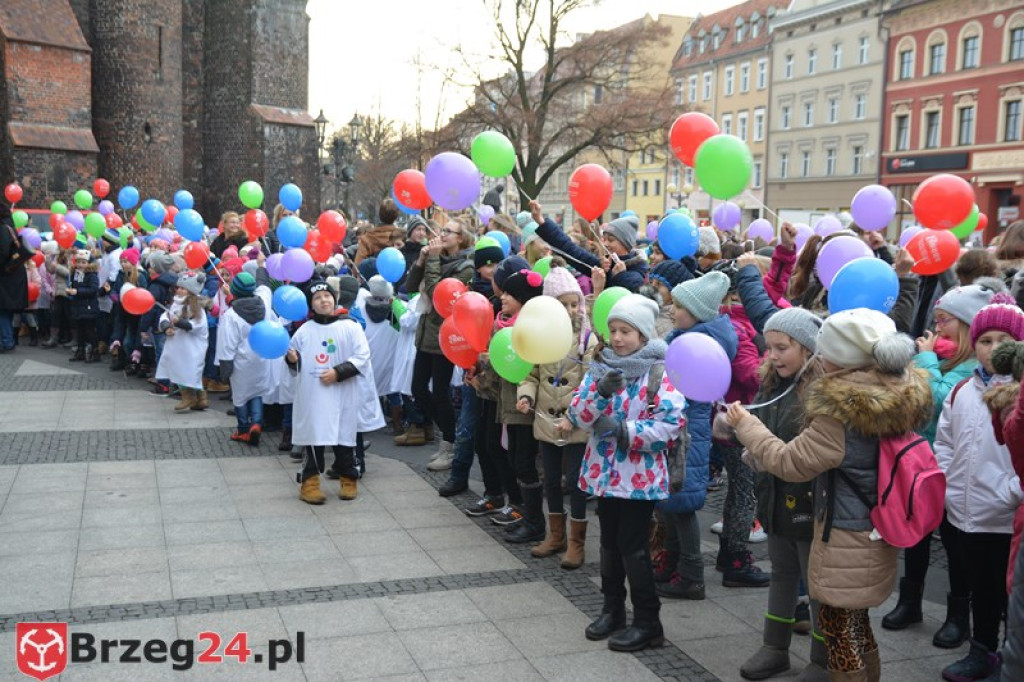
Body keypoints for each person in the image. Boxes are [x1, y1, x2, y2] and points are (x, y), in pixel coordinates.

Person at [726, 308, 930, 681]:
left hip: (843, 534)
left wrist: (746, 427)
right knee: (855, 628)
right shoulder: (889, 390)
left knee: (839, 632)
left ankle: (836, 673)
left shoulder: (841, 412)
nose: (820, 357)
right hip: (869, 527)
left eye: (824, 350)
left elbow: (789, 462)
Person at [883, 281, 1003, 645]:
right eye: (936, 319)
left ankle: (957, 615)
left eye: (944, 320)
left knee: (954, 544)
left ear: (966, 326)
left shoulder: (970, 368)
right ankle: (910, 600)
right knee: (916, 535)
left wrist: (924, 361)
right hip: (922, 465)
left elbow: (935, 399)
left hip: (955, 473)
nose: (936, 328)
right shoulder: (945, 359)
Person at [570, 293, 686, 652]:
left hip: (639, 479)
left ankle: (649, 622)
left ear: (644, 335)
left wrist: (624, 431)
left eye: (626, 331)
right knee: (608, 544)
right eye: (613, 330)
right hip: (604, 474)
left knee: (632, 547)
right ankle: (613, 609)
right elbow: (578, 416)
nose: (617, 338)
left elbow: (670, 424)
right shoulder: (601, 368)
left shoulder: (659, 371)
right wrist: (599, 395)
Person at [721, 307, 827, 680]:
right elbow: (765, 433)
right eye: (770, 348)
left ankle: (822, 660)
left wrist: (756, 441)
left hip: (809, 500)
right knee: (782, 572)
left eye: (783, 348)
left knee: (816, 584)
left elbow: (800, 450)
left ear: (808, 348)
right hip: (775, 495)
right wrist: (740, 434)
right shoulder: (771, 385)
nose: (773, 356)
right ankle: (774, 647)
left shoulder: (818, 392)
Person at [934, 296, 1024, 682]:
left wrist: (1011, 491)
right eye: (984, 340)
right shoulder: (961, 392)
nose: (991, 349)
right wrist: (948, 484)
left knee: (1008, 593)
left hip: (1004, 514)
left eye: (1002, 340)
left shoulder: (1018, 394)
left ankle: (1009, 651)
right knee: (980, 587)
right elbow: (945, 443)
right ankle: (982, 649)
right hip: (965, 511)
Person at [657, 272, 737, 600]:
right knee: (671, 501)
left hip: (688, 432)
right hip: (678, 429)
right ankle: (673, 561)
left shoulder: (698, 345)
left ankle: (691, 575)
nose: (672, 311)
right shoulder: (685, 336)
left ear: (696, 312)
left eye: (678, 306)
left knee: (683, 503)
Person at [518, 262, 597, 568]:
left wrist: (575, 415)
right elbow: (531, 374)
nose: (572, 310)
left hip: (576, 422)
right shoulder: (541, 338)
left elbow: (592, 382)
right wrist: (526, 396)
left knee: (576, 481)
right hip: (546, 420)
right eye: (563, 305)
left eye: (575, 303)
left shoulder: (586, 340)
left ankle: (577, 542)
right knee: (550, 479)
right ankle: (556, 536)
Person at [286, 278, 367, 505]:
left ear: (334, 298)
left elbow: (362, 357)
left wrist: (338, 372)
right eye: (318, 298)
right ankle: (309, 483)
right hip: (314, 395)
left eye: (327, 296)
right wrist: (291, 359)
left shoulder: (350, 326)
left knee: (344, 437)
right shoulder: (304, 331)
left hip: (342, 393)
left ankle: (349, 478)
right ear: (311, 304)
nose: (324, 301)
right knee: (314, 436)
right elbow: (294, 360)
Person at [404, 218, 476, 462]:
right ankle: (449, 431)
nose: (441, 234)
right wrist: (422, 261)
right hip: (426, 334)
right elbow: (411, 286)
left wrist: (432, 259)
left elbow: (437, 295)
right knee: (418, 389)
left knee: (440, 392)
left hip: (445, 336)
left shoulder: (465, 267)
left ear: (461, 238)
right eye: (442, 229)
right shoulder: (436, 258)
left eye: (448, 231)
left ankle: (450, 442)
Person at [492, 269, 545, 544]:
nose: (502, 297)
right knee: (514, 458)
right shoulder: (505, 326)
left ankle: (536, 522)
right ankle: (528, 515)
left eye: (510, 294)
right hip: (509, 403)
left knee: (524, 462)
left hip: (524, 405)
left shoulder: (531, 330)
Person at [530, 201, 648, 292]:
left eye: (611, 240)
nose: (606, 244)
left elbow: (632, 286)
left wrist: (620, 275)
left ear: (626, 243)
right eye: (604, 239)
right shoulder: (604, 264)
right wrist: (541, 222)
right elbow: (571, 249)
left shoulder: (638, 267)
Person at [217, 271, 272, 444]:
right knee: (257, 393)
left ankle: (242, 429)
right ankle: (256, 423)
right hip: (261, 358)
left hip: (241, 361)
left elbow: (228, 344)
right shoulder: (263, 307)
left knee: (240, 396)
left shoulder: (231, 316)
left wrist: (225, 369)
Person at [156, 271, 210, 412]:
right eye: (178, 287)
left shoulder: (196, 307)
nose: (179, 290)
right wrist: (166, 326)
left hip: (191, 346)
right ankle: (200, 397)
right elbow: (165, 316)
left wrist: (179, 322)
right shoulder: (176, 303)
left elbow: (198, 326)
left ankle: (190, 396)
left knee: (190, 370)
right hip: (177, 345)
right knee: (179, 368)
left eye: (183, 288)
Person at [0, 205, 30, 352]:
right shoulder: (10, 227)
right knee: (6, 311)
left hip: (7, 277)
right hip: (14, 276)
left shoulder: (3, 229)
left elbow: (3, 252)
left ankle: (6, 341)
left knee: (3, 310)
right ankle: (7, 340)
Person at [67, 249, 101, 363]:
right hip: (77, 306)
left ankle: (95, 352)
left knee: (89, 330)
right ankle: (80, 351)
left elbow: (93, 290)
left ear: (88, 263)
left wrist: (77, 291)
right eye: (78, 262)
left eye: (83, 262)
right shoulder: (74, 274)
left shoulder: (91, 275)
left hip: (88, 307)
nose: (80, 264)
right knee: (80, 330)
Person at [356, 199, 404, 265]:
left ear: (379, 214)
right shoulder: (402, 237)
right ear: (396, 216)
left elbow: (358, 266)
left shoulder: (367, 238)